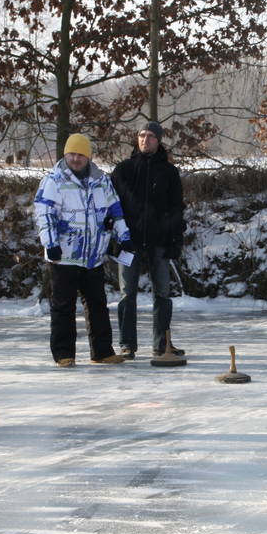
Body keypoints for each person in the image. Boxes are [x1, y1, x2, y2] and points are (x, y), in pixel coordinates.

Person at [34, 133, 133, 366]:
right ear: (65, 154)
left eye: (80, 154)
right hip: (64, 256)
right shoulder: (54, 180)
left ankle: (102, 351)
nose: (76, 158)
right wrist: (51, 244)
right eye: (72, 153)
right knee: (63, 306)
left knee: (98, 304)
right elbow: (44, 215)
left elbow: (114, 210)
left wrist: (124, 236)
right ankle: (63, 353)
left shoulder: (101, 180)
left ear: (88, 157)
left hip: (93, 256)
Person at [110, 122, 186, 359]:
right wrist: (114, 236)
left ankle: (162, 343)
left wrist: (175, 239)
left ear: (159, 140)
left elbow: (177, 209)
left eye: (151, 136)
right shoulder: (122, 170)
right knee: (127, 293)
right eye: (141, 135)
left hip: (160, 241)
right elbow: (111, 207)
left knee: (162, 293)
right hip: (128, 242)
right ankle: (126, 344)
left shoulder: (169, 172)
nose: (145, 140)